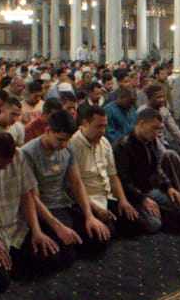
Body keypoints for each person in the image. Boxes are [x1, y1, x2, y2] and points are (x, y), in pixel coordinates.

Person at [0, 133, 67, 294]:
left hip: (15, 229)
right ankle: (11, 267)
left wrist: (36, 231)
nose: (5, 168)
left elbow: (26, 195)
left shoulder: (19, 156)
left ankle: (14, 264)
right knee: (1, 281)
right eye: (1, 164)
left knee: (52, 258)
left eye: (8, 164)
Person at [20, 109, 112, 258]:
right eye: (60, 139)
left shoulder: (69, 147)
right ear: (48, 131)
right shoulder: (27, 153)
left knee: (101, 238)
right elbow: (33, 198)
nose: (64, 144)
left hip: (64, 204)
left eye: (67, 140)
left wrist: (89, 216)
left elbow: (76, 183)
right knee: (62, 255)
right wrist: (58, 227)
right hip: (44, 209)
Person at [112, 109, 180, 238]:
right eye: (154, 128)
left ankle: (169, 215)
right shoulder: (123, 146)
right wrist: (142, 199)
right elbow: (123, 181)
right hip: (133, 195)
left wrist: (169, 187)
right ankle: (170, 217)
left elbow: (157, 169)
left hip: (150, 189)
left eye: (158, 129)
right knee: (153, 224)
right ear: (141, 123)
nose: (156, 133)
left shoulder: (151, 141)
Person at [70, 104, 150, 235]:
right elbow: (73, 187)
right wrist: (96, 209)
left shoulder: (104, 142)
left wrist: (123, 200)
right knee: (106, 234)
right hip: (87, 201)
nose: (102, 131)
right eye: (98, 126)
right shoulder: (73, 145)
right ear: (85, 124)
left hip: (107, 197)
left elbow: (113, 176)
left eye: (104, 126)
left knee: (140, 225)